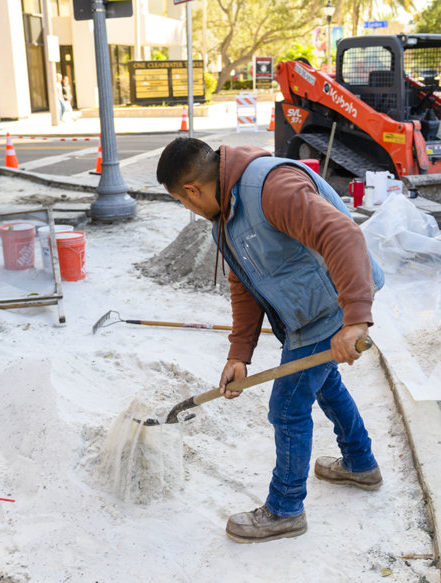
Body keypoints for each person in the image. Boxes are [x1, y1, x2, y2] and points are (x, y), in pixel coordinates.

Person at [156, 137, 385, 544]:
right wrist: (239, 353)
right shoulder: (225, 217)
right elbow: (243, 282)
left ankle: (284, 509)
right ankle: (360, 463)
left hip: (330, 306)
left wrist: (355, 319)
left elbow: (343, 235)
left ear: (192, 190)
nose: (188, 209)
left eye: (183, 202)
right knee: (325, 384)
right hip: (305, 312)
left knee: (288, 406)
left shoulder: (270, 188)